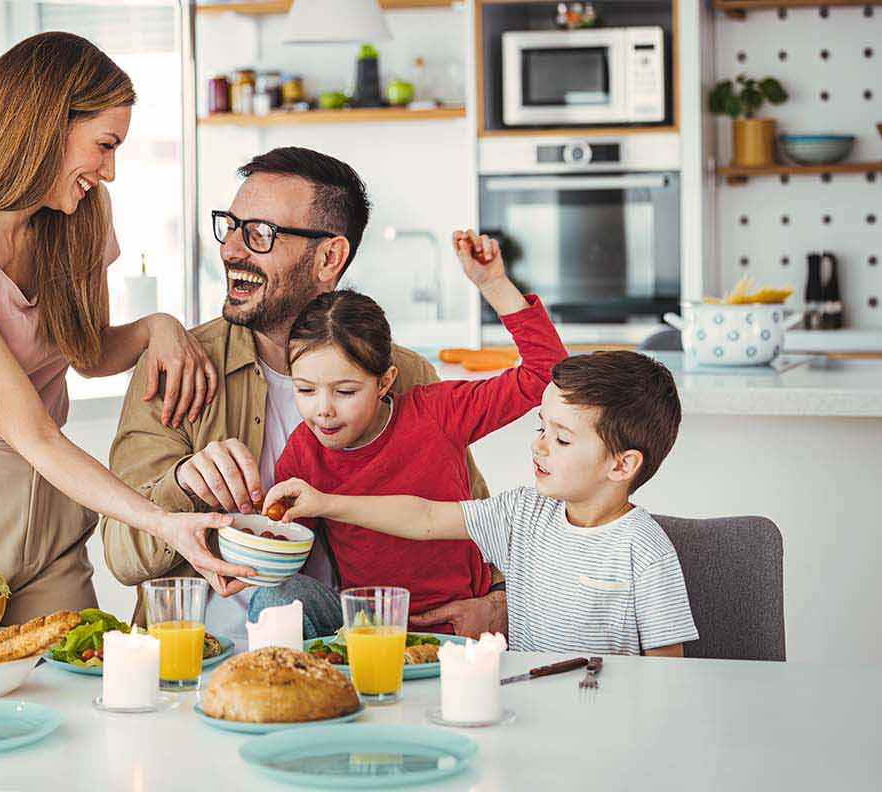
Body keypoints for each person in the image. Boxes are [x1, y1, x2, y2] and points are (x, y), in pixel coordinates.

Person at [0, 32, 253, 626]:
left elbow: (87, 352)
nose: (110, 171)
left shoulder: (77, 218)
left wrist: (159, 326)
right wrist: (159, 521)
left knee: (80, 679)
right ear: (46, 124)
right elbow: (31, 433)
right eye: (104, 146)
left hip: (49, 499)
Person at [100, 147, 505, 642]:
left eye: (260, 234)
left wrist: (497, 604)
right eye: (230, 226)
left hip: (358, 654)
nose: (231, 250)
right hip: (200, 659)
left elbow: (479, 523)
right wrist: (182, 483)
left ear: (329, 257)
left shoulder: (405, 376)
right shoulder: (179, 367)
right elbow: (121, 556)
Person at [267, 351, 699, 655]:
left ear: (622, 466)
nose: (541, 448)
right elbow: (425, 516)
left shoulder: (644, 550)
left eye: (562, 439)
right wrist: (325, 502)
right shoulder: (523, 512)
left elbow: (667, 672)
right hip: (526, 703)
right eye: (541, 429)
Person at [257, 230, 566, 638]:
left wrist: (493, 284)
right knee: (274, 598)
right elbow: (289, 547)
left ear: (385, 383)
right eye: (305, 390)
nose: (323, 409)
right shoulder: (303, 452)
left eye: (345, 391)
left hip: (455, 623)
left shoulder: (438, 414)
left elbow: (547, 372)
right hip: (366, 626)